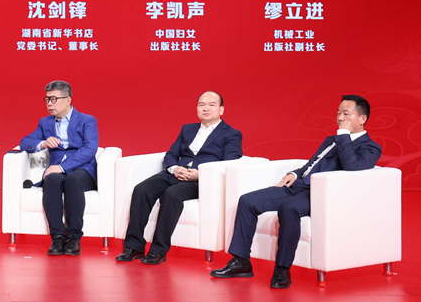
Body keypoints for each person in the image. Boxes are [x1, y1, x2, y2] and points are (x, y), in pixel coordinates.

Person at [211, 95, 381, 288]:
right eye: (338, 113)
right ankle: (241, 262)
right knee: (247, 201)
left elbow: (352, 166)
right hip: (299, 185)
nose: (340, 118)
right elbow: (312, 165)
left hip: (321, 194)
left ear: (362, 118)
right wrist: (295, 173)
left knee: (288, 208)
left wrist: (344, 135)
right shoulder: (331, 140)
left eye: (346, 114)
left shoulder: (370, 147)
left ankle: (282, 269)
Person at [116, 91, 242, 265]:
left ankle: (158, 250)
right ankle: (134, 246)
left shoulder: (232, 134)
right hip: (176, 173)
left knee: (172, 195)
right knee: (141, 190)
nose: (206, 108)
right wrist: (174, 168)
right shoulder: (187, 129)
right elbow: (171, 154)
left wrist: (201, 174)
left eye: (211, 105)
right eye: (201, 105)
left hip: (201, 180)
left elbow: (230, 161)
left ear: (221, 110)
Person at [18, 80, 99, 256]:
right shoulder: (45, 123)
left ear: (68, 100)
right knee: (52, 180)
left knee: (72, 180)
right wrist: (43, 143)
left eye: (54, 99)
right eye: (47, 99)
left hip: (82, 168)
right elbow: (25, 142)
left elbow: (90, 149)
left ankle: (74, 237)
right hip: (57, 170)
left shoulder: (87, 120)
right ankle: (57, 236)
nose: (49, 103)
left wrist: (62, 167)